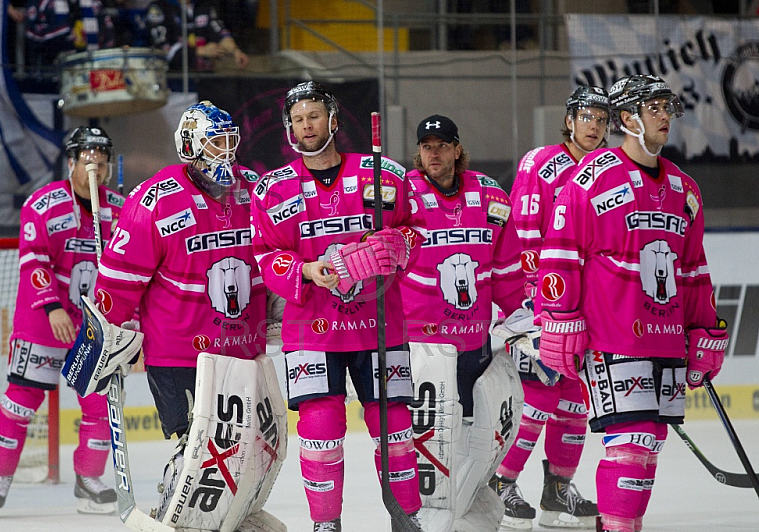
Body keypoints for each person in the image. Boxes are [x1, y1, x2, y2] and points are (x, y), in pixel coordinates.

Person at [536, 75, 728, 532]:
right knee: (631, 441)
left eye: (667, 107)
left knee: (650, 442)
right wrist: (561, 319)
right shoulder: (594, 177)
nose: (665, 116)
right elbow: (560, 251)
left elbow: (694, 269)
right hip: (611, 335)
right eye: (654, 107)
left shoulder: (685, 190)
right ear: (627, 118)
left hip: (665, 336)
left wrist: (705, 329)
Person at [89, 101, 285, 529]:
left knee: (247, 444)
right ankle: (176, 517)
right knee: (196, 445)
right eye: (215, 144)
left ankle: (231, 516)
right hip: (181, 354)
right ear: (189, 148)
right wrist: (106, 335)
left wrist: (278, 294)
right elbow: (119, 280)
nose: (226, 154)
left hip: (242, 346)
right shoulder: (154, 201)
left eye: (230, 143)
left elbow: (280, 250)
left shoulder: (251, 189)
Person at [251, 81, 424, 532]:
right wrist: (306, 271)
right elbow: (266, 256)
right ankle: (326, 524)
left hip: (379, 326)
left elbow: (415, 230)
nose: (306, 126)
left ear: (332, 119)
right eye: (298, 119)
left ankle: (407, 518)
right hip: (312, 328)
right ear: (290, 128)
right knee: (321, 430)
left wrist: (397, 244)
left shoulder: (381, 174)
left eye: (314, 116)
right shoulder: (273, 189)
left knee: (396, 429)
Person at [400, 114, 531, 530]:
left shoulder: (490, 194)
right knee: (430, 441)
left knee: (474, 437)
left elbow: (508, 268)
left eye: (441, 145)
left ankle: (469, 508)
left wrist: (522, 319)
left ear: (457, 149)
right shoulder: (403, 196)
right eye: (426, 146)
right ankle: (425, 517)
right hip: (420, 347)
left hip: (472, 343)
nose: (433, 153)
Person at [0, 126, 123, 514]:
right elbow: (33, 259)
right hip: (44, 321)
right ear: (72, 162)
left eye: (103, 158)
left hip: (93, 327)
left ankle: (88, 480)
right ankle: (0, 477)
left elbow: (127, 267)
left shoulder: (120, 208)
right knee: (21, 401)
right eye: (88, 159)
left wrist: (126, 320)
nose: (96, 165)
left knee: (99, 405)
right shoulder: (43, 204)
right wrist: (52, 306)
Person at [491, 85, 609, 530]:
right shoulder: (541, 162)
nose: (594, 127)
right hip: (545, 300)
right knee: (538, 396)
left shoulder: (608, 168)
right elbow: (524, 230)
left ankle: (558, 491)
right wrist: (537, 298)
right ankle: (502, 481)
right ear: (570, 118)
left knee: (576, 403)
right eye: (587, 117)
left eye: (602, 119)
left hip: (590, 305)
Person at [145, 0, 248, 72]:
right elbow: (163, 51)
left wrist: (235, 51)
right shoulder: (158, 8)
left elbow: (219, 32)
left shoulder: (203, 5)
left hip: (205, 81)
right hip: (174, 85)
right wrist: (200, 51)